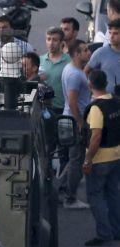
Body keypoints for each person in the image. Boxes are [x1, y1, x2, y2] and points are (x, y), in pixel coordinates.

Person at [82, 70, 120, 247]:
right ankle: (116, 229)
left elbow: (96, 136)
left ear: (90, 86)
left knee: (95, 195)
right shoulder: (116, 102)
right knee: (113, 194)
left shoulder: (96, 108)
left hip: (100, 159)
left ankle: (104, 233)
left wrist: (88, 159)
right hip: (116, 155)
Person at [63, 40, 93, 209]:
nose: (88, 53)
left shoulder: (73, 70)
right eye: (85, 50)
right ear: (76, 54)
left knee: (72, 158)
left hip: (71, 119)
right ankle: (70, 198)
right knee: (76, 159)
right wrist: (81, 123)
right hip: (75, 121)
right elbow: (73, 102)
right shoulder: (75, 74)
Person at [40, 27, 70, 113]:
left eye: (55, 40)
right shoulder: (40, 60)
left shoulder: (69, 61)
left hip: (62, 109)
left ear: (61, 42)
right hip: (43, 108)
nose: (51, 43)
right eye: (48, 39)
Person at [86, 19, 120, 95]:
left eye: (116, 33)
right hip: (106, 100)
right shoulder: (100, 52)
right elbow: (86, 71)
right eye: (110, 33)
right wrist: (93, 90)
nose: (111, 36)